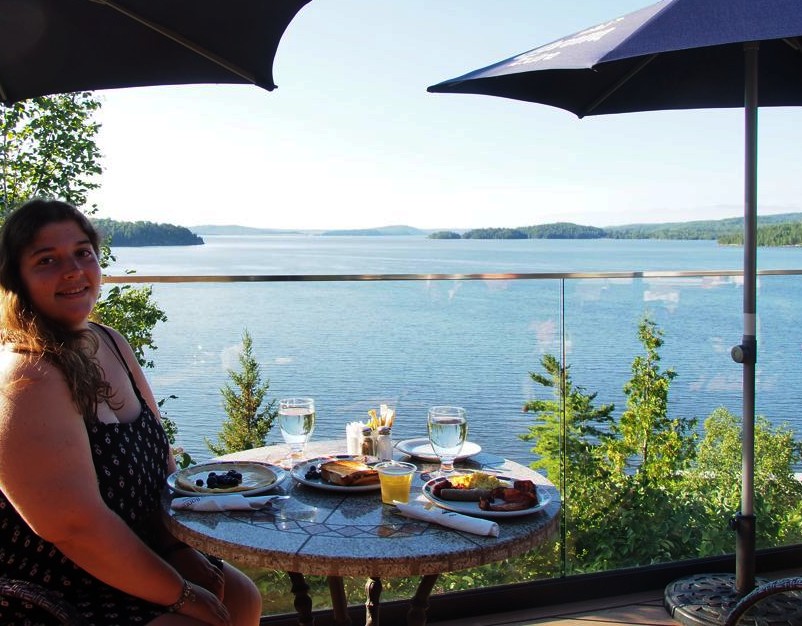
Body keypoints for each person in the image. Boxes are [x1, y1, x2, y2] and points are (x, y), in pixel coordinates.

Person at [0, 199, 262, 625]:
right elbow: (74, 528)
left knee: (242, 596)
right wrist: (183, 595)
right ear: (16, 278)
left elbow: (161, 462)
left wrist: (179, 550)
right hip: (63, 577)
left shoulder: (110, 342)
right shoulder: (27, 375)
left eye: (83, 252)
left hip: (138, 546)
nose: (73, 270)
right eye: (47, 260)